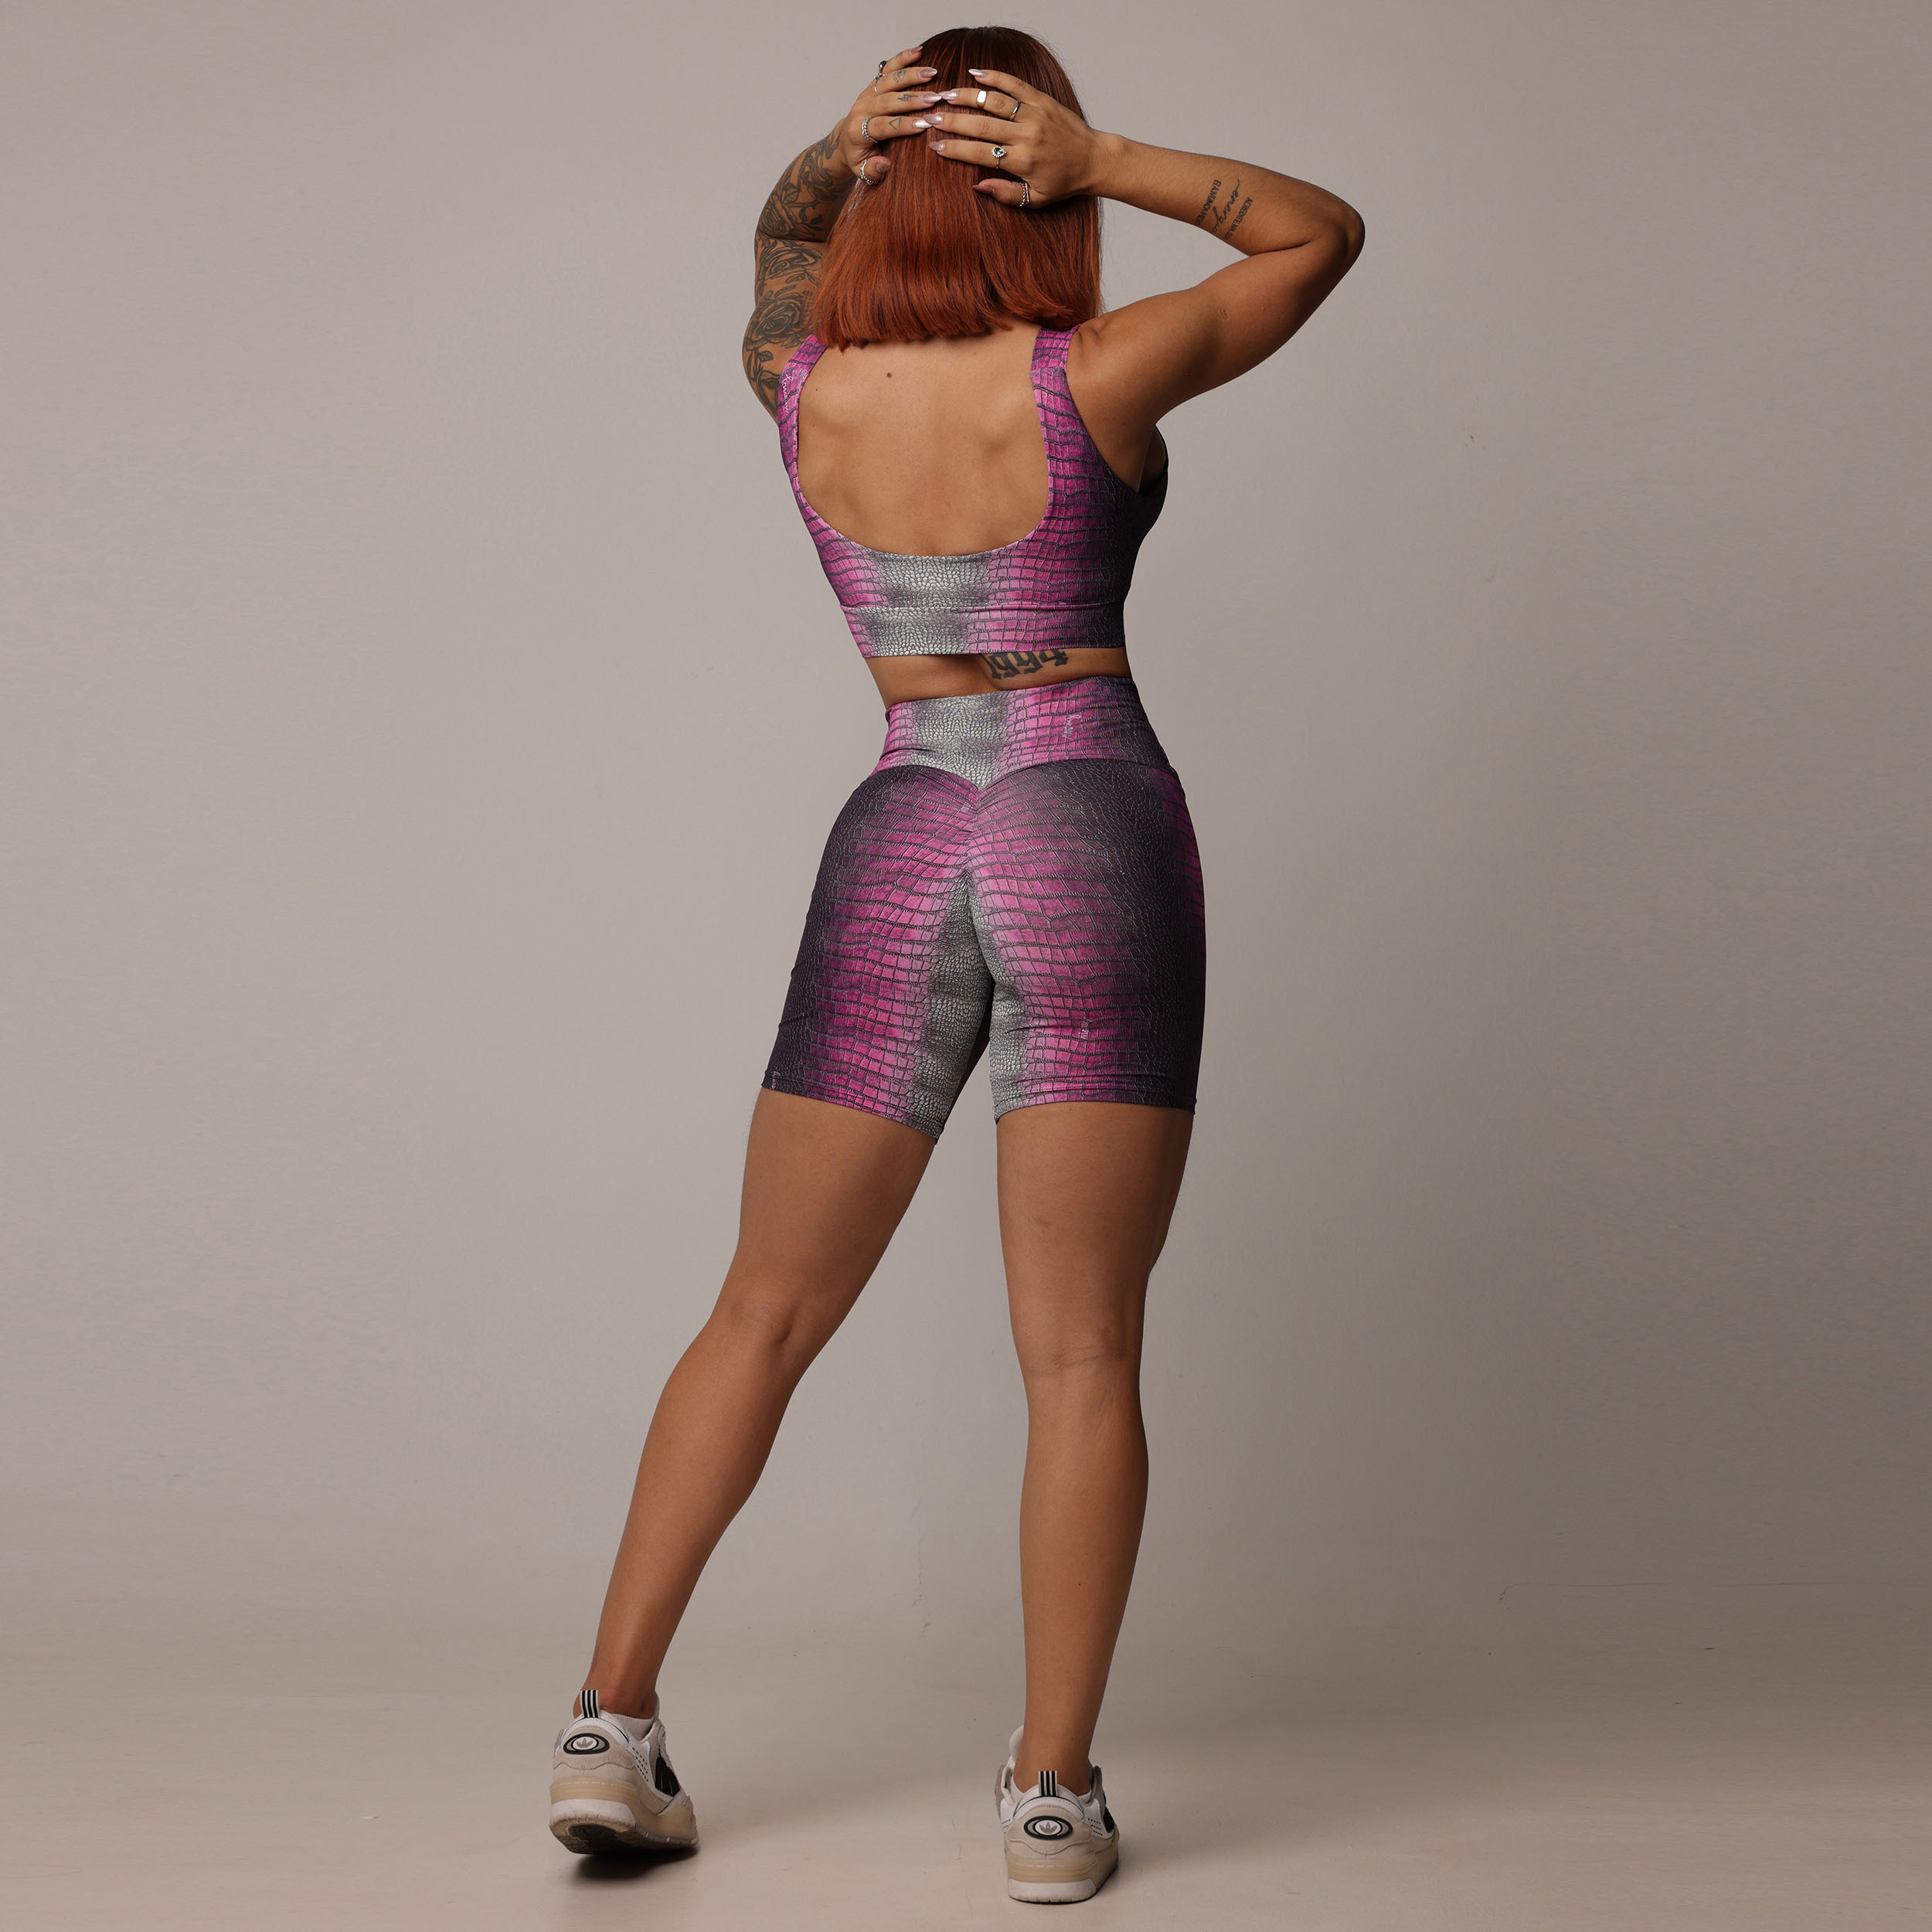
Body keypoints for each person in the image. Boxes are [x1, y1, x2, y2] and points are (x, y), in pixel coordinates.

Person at [546, 25, 1362, 1904]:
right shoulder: (1103, 368)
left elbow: (776, 252)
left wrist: (836, 149)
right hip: (1085, 812)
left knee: (759, 1307)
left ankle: (607, 1723)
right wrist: (1105, 155)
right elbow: (1313, 234)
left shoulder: (800, 383)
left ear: (879, 188)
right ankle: (1050, 1797)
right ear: (1029, 184)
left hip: (905, 822)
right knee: (1078, 1348)